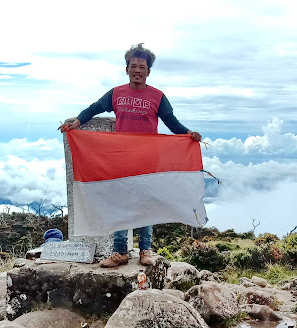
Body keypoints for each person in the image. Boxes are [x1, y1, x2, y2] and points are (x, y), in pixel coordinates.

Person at [59, 43, 201, 268]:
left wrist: (188, 134)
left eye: (142, 67)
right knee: (120, 204)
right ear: (126, 69)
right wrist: (76, 122)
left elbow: (172, 122)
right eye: (133, 66)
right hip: (121, 158)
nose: (137, 70)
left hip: (147, 159)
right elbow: (95, 107)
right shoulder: (116, 93)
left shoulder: (158, 96)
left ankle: (146, 250)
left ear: (148, 71)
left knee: (147, 205)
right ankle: (120, 252)